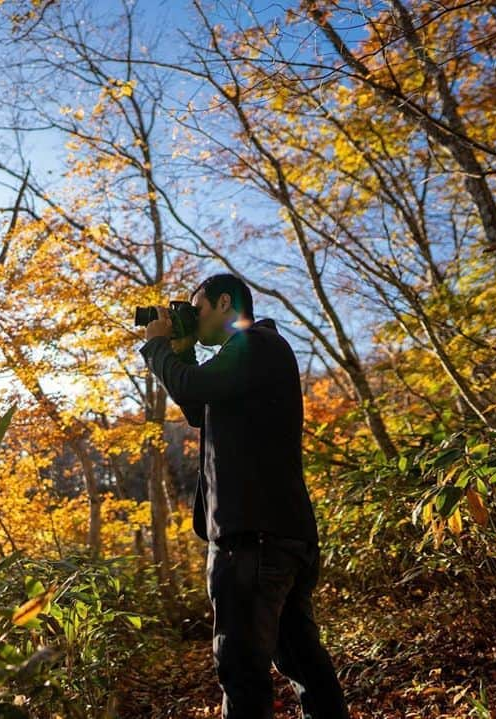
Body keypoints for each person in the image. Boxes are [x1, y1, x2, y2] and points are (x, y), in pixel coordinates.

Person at [139, 273, 350, 719]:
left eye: (197, 310)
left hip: (251, 539)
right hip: (277, 535)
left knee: (241, 669)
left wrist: (156, 346)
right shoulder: (251, 357)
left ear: (223, 302)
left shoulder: (255, 343)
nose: (193, 318)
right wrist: (184, 349)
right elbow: (198, 407)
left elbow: (194, 388)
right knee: (301, 661)